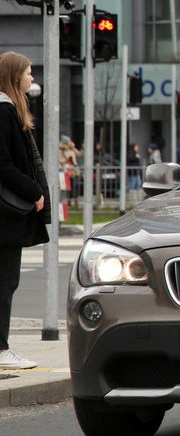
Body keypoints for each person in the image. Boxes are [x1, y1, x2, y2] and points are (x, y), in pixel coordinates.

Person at [0, 52, 50, 370]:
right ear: (14, 76)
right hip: (5, 215)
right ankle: (2, 350)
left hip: (6, 215)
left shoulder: (9, 110)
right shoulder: (4, 112)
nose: (32, 79)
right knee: (5, 281)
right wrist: (34, 193)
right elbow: (3, 164)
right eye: (28, 73)